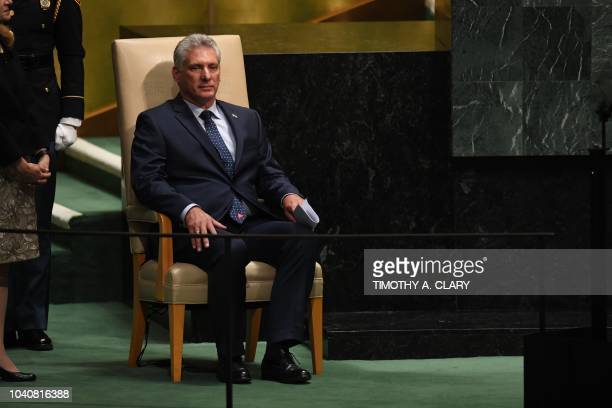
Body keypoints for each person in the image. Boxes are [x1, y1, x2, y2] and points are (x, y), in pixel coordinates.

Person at [131, 34, 319, 384]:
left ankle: (278, 353)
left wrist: (287, 196)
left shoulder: (247, 119)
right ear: (177, 74)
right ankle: (230, 357)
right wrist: (188, 209)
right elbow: (147, 181)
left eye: (212, 67)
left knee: (300, 237)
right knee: (231, 249)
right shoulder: (156, 122)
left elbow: (268, 173)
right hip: (196, 231)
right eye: (196, 68)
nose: (206, 75)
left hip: (247, 221)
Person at [5, 0, 84, 351]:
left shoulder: (58, 2)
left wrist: (71, 114)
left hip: (40, 103)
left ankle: (30, 320)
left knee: (37, 221)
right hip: (2, 96)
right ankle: (3, 323)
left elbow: (71, 54)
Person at [0, 0, 51, 381]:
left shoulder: (5, 43)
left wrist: (41, 149)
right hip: (5, 165)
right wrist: (15, 161)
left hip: (14, 166)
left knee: (2, 265)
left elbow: (25, 104)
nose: (8, 0)